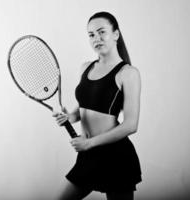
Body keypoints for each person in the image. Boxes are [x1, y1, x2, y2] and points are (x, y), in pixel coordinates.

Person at [53, 11, 142, 200]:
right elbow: (84, 108)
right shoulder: (86, 67)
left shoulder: (128, 73)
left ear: (116, 34)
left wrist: (88, 143)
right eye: (91, 34)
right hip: (88, 155)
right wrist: (69, 117)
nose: (96, 38)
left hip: (116, 157)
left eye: (102, 32)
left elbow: (131, 125)